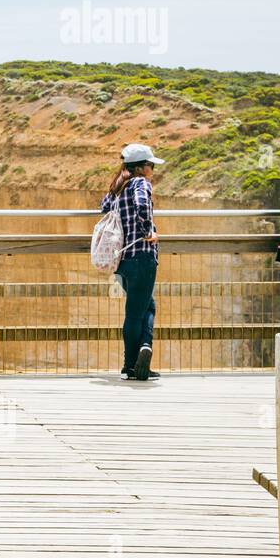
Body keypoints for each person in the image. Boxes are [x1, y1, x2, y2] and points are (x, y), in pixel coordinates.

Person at [100, 143, 164, 381]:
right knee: (137, 312)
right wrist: (149, 231)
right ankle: (133, 361)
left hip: (122, 259)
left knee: (142, 307)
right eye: (150, 166)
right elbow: (141, 204)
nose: (152, 170)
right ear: (140, 167)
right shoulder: (140, 184)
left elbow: (104, 207)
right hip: (142, 256)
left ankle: (137, 357)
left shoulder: (117, 188)